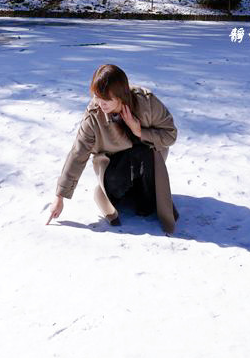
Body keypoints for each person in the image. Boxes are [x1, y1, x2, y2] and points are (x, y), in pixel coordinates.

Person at [47, 64, 180, 234]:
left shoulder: (146, 103)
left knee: (143, 156)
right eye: (97, 96)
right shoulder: (94, 116)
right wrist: (60, 196)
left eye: (107, 100)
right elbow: (77, 154)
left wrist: (139, 131)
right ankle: (111, 196)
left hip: (146, 167)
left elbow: (170, 135)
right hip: (115, 173)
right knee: (128, 162)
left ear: (121, 96)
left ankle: (147, 196)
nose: (100, 104)